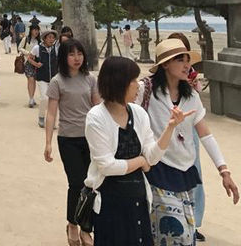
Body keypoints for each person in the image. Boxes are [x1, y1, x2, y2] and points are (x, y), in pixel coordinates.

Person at [136, 38, 239, 245]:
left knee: (187, 234)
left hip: (186, 172)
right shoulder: (144, 90)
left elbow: (206, 135)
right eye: (180, 60)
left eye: (188, 60)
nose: (187, 65)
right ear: (165, 64)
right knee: (175, 234)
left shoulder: (191, 95)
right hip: (158, 170)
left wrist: (224, 171)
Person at [85, 56, 191, 246]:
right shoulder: (96, 117)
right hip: (110, 203)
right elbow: (107, 166)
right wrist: (140, 162)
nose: (138, 86)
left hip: (139, 199)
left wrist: (170, 128)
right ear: (119, 84)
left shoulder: (138, 113)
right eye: (133, 81)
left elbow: (152, 156)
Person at [44, 39, 101, 246]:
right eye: (71, 54)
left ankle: (87, 228)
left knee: (93, 183)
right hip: (68, 139)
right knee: (76, 183)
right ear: (64, 58)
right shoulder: (57, 81)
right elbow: (51, 114)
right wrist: (48, 142)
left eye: (80, 53)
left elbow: (98, 108)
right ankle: (72, 223)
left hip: (91, 139)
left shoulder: (90, 79)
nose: (77, 58)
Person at [167, 32, 205, 241]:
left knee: (194, 172)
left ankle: (195, 220)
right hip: (169, 131)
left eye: (184, 54)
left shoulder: (190, 74)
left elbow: (197, 97)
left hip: (190, 128)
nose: (183, 62)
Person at [27, 29, 59, 127]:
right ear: (44, 38)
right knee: (44, 98)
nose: (51, 39)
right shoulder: (37, 48)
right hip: (42, 78)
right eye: (49, 37)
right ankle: (41, 117)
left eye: (53, 38)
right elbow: (29, 58)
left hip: (54, 79)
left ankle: (52, 120)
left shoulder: (56, 49)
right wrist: (36, 64)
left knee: (54, 100)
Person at [18, 24, 40, 107]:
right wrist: (28, 53)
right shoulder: (26, 39)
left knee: (34, 80)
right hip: (27, 62)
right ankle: (31, 99)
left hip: (36, 63)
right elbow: (20, 48)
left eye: (37, 30)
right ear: (31, 31)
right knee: (31, 79)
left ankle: (32, 97)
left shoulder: (40, 41)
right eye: (35, 30)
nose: (36, 31)